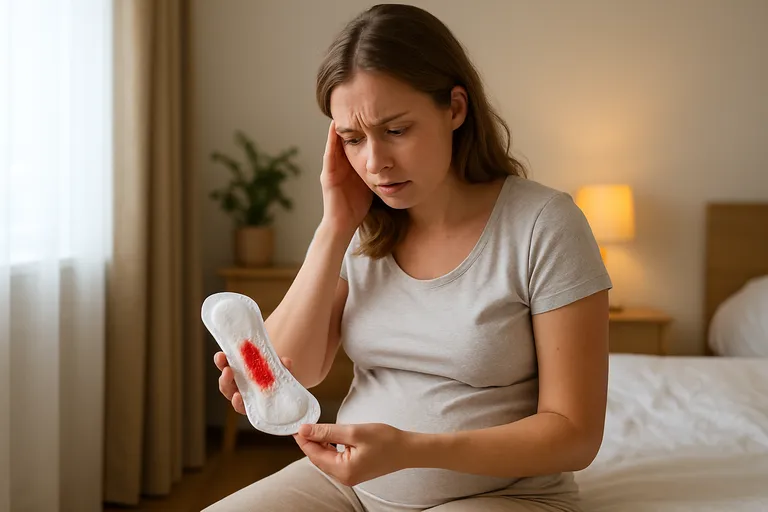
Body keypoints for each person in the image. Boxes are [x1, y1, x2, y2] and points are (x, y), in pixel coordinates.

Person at [206, 4, 611, 511]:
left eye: (396, 130)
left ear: (456, 108)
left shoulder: (543, 224)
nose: (375, 163)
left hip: (504, 495)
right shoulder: (363, 229)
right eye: (353, 139)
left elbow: (575, 436)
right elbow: (296, 371)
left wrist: (410, 451)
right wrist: (334, 226)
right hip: (345, 487)